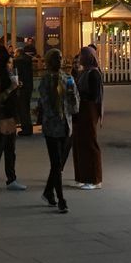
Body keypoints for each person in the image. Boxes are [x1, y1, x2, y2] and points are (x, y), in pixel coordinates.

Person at [34, 48, 78, 214]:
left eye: (60, 58)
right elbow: (45, 102)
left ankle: (48, 191)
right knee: (56, 163)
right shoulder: (46, 81)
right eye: (55, 58)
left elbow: (74, 104)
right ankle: (60, 198)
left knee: (58, 164)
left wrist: (71, 95)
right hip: (52, 126)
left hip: (66, 126)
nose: (59, 61)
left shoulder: (68, 79)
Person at [0, 40, 26, 191]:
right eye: (9, 63)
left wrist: (16, 87)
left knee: (10, 148)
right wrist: (11, 88)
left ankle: (11, 178)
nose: (11, 66)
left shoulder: (9, 77)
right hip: (0, 115)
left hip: (9, 115)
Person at [72, 45, 104, 190]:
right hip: (80, 110)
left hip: (88, 111)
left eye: (82, 56)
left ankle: (94, 178)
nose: (80, 58)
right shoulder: (83, 72)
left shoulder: (93, 74)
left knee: (89, 142)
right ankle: (82, 176)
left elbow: (94, 96)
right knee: (79, 143)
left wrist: (79, 94)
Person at [14, 45, 35, 135]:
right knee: (26, 107)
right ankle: (28, 127)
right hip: (29, 85)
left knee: (23, 108)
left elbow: (16, 74)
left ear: (18, 53)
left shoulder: (18, 62)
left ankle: (25, 128)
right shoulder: (28, 60)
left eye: (15, 53)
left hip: (22, 86)